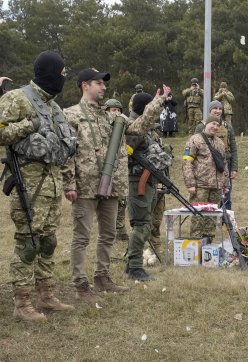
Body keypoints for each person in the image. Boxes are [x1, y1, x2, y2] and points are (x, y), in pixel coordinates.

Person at [62, 68, 170, 304]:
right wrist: (69, 183)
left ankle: (102, 277)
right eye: (98, 83)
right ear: (85, 85)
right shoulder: (69, 115)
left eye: (104, 84)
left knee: (109, 234)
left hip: (111, 186)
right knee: (82, 236)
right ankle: (80, 284)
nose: (103, 87)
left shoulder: (111, 117)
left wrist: (157, 102)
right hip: (84, 187)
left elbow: (139, 127)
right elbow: (66, 153)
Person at [0, 51, 77, 321]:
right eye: (61, 73)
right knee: (28, 242)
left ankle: (46, 294)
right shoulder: (17, 98)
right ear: (48, 72)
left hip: (52, 184)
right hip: (29, 185)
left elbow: (66, 143)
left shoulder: (53, 107)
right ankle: (22, 303)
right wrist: (29, 124)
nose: (63, 78)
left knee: (48, 241)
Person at [125, 92, 173, 281]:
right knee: (142, 225)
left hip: (148, 182)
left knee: (146, 224)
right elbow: (125, 155)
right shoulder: (134, 129)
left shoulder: (148, 129)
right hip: (138, 182)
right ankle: (134, 267)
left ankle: (132, 264)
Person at [183, 116, 229, 239]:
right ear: (206, 124)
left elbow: (224, 164)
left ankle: (208, 248)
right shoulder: (195, 140)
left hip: (216, 187)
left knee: (211, 219)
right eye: (213, 124)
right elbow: (187, 163)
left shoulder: (220, 143)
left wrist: (226, 184)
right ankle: (196, 248)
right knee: (198, 218)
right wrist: (190, 183)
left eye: (217, 125)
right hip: (200, 187)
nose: (215, 127)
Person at [195, 101, 238, 209]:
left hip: (224, 166)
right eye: (215, 108)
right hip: (206, 168)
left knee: (226, 196)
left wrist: (234, 168)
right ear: (210, 110)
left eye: (220, 109)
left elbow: (233, 148)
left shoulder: (227, 127)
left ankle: (226, 224)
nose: (218, 111)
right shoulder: (201, 127)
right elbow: (195, 148)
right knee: (208, 199)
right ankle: (210, 222)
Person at [102, 98, 130, 242]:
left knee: (122, 200)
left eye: (119, 110)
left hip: (121, 171)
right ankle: (109, 230)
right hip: (107, 171)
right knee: (109, 202)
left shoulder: (123, 127)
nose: (117, 113)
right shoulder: (102, 127)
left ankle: (120, 228)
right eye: (113, 110)